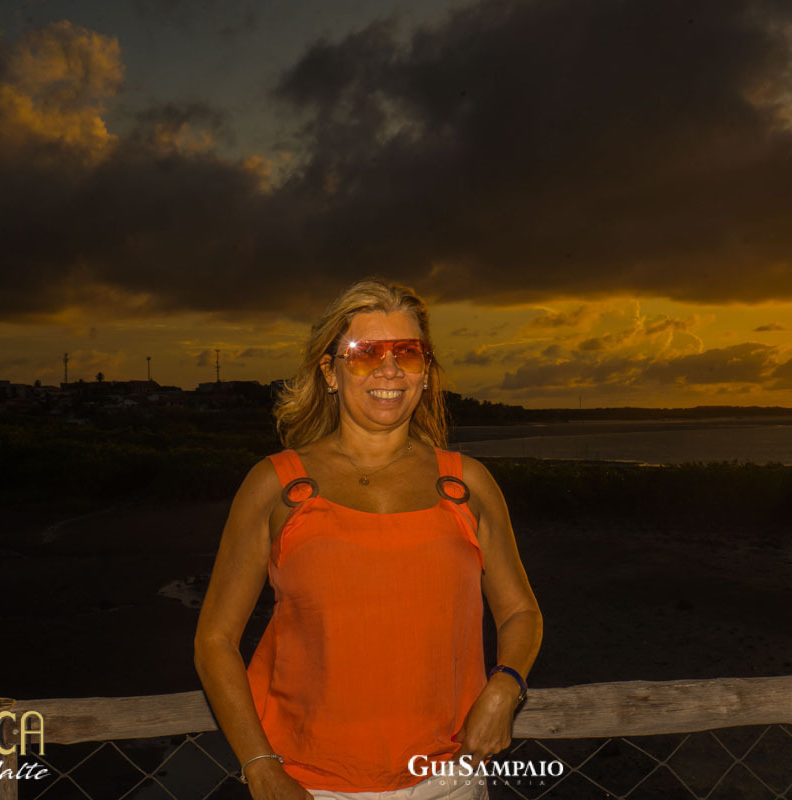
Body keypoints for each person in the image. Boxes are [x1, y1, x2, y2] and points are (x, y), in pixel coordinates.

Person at [194, 277, 544, 800]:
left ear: (425, 373)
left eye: (408, 351)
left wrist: (504, 686)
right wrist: (260, 766)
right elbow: (214, 641)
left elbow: (521, 612)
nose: (389, 368)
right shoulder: (278, 485)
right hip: (310, 786)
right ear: (329, 373)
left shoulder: (466, 484)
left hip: (448, 781)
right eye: (364, 353)